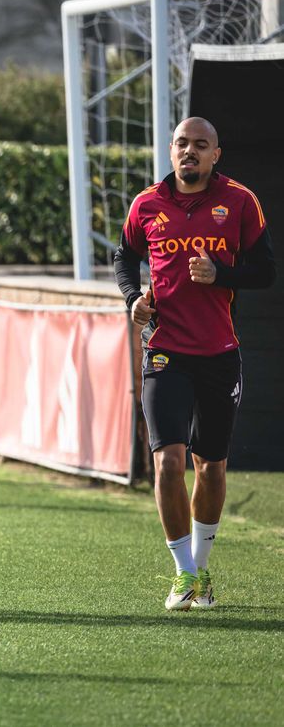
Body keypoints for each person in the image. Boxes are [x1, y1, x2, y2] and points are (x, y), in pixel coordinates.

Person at [113, 116, 275, 611]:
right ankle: (184, 574)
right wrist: (131, 297)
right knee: (168, 462)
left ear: (215, 155)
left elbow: (266, 271)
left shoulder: (240, 202)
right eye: (182, 144)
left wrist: (221, 273)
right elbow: (124, 256)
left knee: (211, 467)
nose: (190, 152)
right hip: (164, 351)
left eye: (200, 146)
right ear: (170, 150)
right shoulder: (147, 204)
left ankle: (201, 567)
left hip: (219, 355)